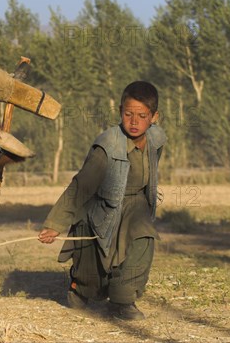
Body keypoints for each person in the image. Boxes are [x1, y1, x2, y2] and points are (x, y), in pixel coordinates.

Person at [38, 81, 166, 321]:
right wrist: (55, 224)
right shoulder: (106, 146)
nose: (135, 121)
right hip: (100, 207)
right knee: (92, 278)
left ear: (154, 117)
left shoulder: (157, 139)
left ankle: (122, 300)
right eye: (128, 114)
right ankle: (79, 286)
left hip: (135, 204)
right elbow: (80, 186)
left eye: (142, 115)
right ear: (120, 112)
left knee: (143, 238)